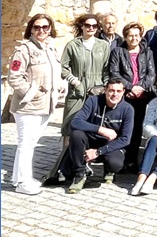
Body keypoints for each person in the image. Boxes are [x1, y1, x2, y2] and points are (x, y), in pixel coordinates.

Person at [8, 14, 63, 195]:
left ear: (50, 29)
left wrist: (60, 86)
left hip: (46, 105)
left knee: (30, 143)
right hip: (28, 106)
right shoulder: (24, 50)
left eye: (45, 27)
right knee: (26, 143)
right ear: (31, 29)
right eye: (37, 27)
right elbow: (14, 77)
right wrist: (31, 92)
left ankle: (20, 178)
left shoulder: (50, 49)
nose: (41, 31)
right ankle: (23, 183)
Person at [64, 78, 135, 193]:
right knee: (76, 134)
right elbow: (75, 122)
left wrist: (98, 152)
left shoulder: (128, 109)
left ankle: (109, 170)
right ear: (105, 90)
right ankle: (80, 174)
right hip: (91, 139)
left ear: (123, 92)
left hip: (110, 144)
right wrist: (100, 129)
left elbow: (125, 139)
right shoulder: (93, 101)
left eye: (118, 91)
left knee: (115, 164)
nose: (115, 94)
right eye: (111, 90)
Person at [107, 22, 156, 172]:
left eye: (137, 35)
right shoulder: (118, 52)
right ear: (126, 37)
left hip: (142, 96)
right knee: (123, 129)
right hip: (125, 95)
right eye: (130, 36)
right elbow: (114, 72)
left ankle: (132, 162)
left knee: (136, 130)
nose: (134, 38)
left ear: (141, 36)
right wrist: (129, 87)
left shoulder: (147, 52)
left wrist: (140, 88)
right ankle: (119, 161)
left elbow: (151, 74)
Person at [60, 13, 111, 139]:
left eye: (94, 26)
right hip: (77, 91)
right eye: (88, 25)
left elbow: (107, 69)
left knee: (94, 124)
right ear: (82, 26)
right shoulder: (72, 45)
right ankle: (66, 155)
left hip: (97, 90)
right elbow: (63, 68)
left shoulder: (103, 45)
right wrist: (75, 82)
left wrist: (105, 87)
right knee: (70, 124)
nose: (91, 28)